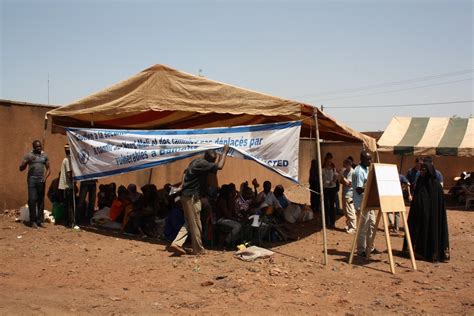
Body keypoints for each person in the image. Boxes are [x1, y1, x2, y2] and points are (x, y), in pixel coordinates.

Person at [169, 145, 230, 255]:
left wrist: (182, 185)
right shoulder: (204, 164)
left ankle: (177, 243)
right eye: (213, 160)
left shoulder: (197, 161)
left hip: (191, 196)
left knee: (191, 222)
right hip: (191, 197)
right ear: (209, 159)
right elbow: (219, 167)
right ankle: (198, 249)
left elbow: (185, 171)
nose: (213, 162)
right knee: (195, 224)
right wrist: (225, 152)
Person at [403, 162, 450, 262]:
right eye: (421, 169)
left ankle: (433, 253)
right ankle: (419, 252)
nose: (421, 171)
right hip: (421, 215)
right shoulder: (420, 183)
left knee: (433, 232)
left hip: (433, 217)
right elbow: (418, 198)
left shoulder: (436, 186)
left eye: (424, 169)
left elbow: (439, 205)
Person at [19, 140, 51, 228]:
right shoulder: (29, 155)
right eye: (37, 147)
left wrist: (44, 178)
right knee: (32, 200)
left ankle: (39, 221)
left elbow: (48, 169)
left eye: (40, 146)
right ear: (33, 147)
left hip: (41, 180)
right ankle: (32, 221)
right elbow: (21, 168)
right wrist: (26, 162)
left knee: (40, 201)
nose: (39, 148)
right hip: (32, 180)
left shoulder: (44, 155)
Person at [353, 150, 377, 257]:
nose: (370, 161)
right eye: (368, 159)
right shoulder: (359, 171)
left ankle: (370, 247)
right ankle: (361, 250)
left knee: (372, 224)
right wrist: (371, 188)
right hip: (362, 202)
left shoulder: (367, 168)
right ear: (362, 159)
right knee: (363, 227)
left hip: (369, 201)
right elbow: (359, 189)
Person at [58, 144, 75, 228]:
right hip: (68, 186)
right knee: (70, 205)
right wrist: (74, 182)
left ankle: (68, 221)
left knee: (67, 204)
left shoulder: (66, 159)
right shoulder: (68, 160)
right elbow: (69, 173)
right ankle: (70, 222)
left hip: (66, 186)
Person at [322, 153, 338, 228]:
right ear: (325, 161)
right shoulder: (322, 169)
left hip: (332, 189)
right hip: (326, 189)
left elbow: (336, 176)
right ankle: (326, 222)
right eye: (328, 161)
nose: (329, 163)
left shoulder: (333, 168)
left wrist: (333, 181)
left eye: (330, 161)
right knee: (326, 205)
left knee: (332, 205)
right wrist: (326, 182)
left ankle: (332, 222)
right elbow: (321, 179)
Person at [340, 159, 356, 234]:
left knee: (350, 211)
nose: (344, 166)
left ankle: (353, 227)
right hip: (344, 193)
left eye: (345, 165)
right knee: (345, 211)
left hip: (349, 195)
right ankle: (349, 225)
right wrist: (342, 178)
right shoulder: (346, 171)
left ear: (348, 164)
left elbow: (349, 183)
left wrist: (342, 176)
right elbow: (341, 181)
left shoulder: (352, 172)